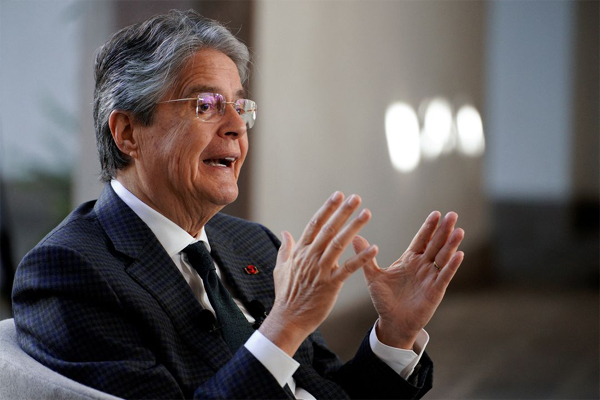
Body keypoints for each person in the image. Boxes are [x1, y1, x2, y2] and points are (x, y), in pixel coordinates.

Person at [12, 9, 465, 400]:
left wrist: (396, 333)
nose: (235, 127)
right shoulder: (68, 272)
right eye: (206, 105)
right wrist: (284, 325)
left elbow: (328, 389)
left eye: (239, 106)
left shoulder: (254, 244)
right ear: (128, 133)